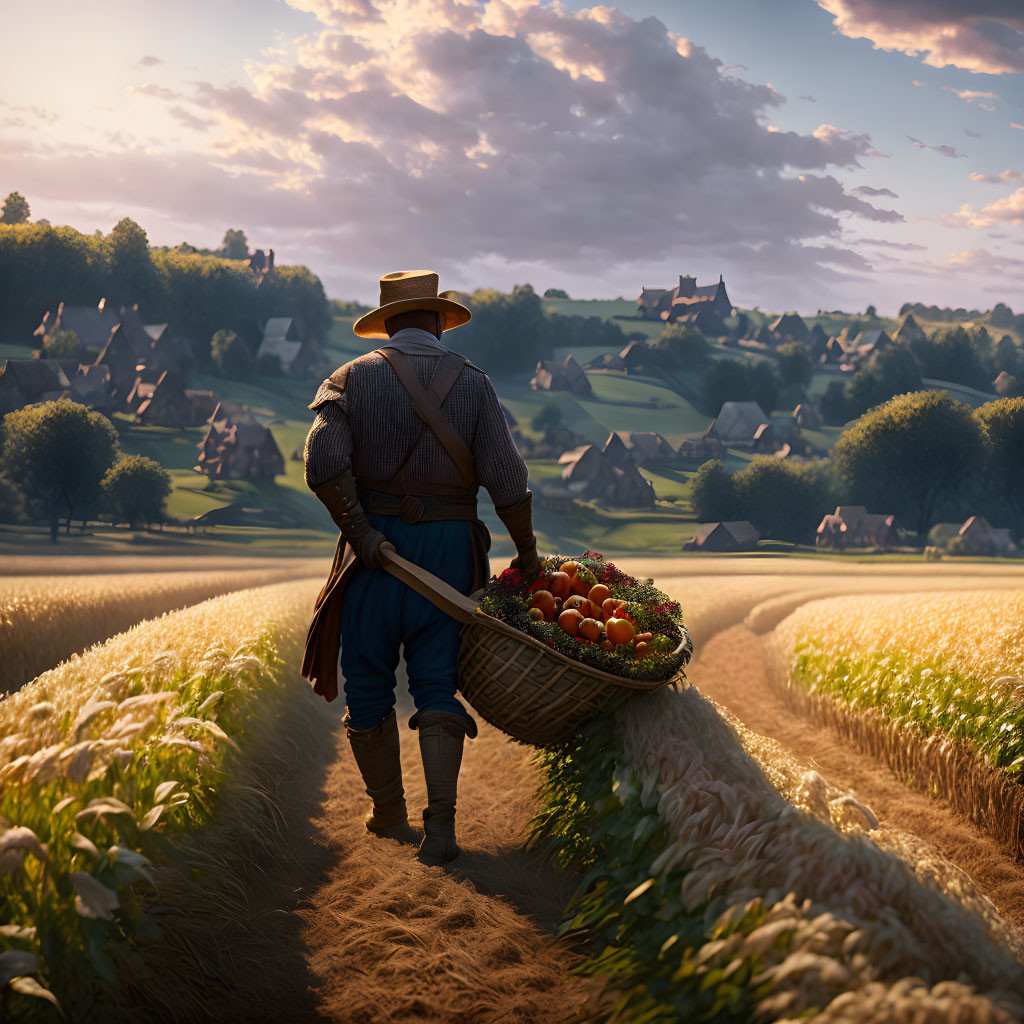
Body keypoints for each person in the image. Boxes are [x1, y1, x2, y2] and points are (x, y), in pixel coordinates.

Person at [301, 269, 540, 862]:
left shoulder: (348, 380)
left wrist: (362, 533)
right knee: (437, 681)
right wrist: (528, 552)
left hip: (373, 556)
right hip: (449, 556)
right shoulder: (476, 386)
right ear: (437, 321)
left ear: (388, 323)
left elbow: (322, 461)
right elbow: (507, 479)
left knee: (368, 679)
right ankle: (442, 829)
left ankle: (388, 812)